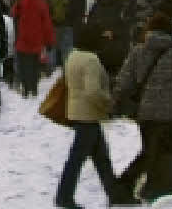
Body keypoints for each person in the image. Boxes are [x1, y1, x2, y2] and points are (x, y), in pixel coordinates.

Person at [113, 11, 172, 205]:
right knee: (170, 153)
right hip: (169, 114)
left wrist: (116, 101)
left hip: (146, 113)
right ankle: (171, 191)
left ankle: (141, 187)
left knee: (149, 151)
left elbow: (124, 81)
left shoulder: (137, 52)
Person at [52, 29, 128, 208]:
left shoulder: (73, 55)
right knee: (77, 159)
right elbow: (93, 91)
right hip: (88, 114)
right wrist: (108, 104)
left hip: (77, 112)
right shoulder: (91, 60)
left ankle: (115, 194)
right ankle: (64, 196)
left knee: (101, 157)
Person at [12, 0, 55, 97]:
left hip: (22, 40)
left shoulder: (20, 3)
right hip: (37, 41)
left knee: (24, 65)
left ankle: (25, 88)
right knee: (34, 65)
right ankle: (34, 87)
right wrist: (49, 42)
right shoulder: (42, 4)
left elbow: (14, 15)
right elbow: (47, 25)